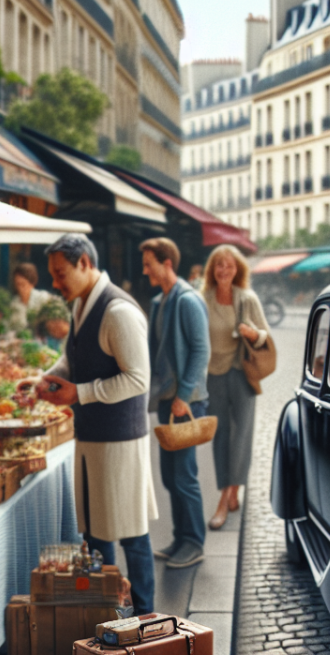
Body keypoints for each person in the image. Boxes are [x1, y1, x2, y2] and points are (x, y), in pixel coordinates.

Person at [28, 234, 157, 615]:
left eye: (59, 273)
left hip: (120, 442)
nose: (54, 282)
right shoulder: (82, 304)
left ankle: (148, 620)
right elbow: (73, 361)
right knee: (97, 535)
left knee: (131, 534)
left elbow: (138, 379)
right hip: (92, 438)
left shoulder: (118, 311)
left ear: (84, 263)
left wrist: (78, 394)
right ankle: (109, 614)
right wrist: (43, 378)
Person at [141, 237, 210, 569]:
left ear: (167, 263)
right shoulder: (161, 301)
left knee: (184, 476)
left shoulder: (187, 300)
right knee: (170, 476)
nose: (144, 270)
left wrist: (183, 395)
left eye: (148, 263)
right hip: (168, 401)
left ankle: (194, 542)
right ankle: (181, 537)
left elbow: (201, 351)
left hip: (186, 402)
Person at [200, 245, 270, 530]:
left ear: (237, 269)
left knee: (240, 436)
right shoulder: (203, 299)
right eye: (219, 266)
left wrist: (253, 334)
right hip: (213, 375)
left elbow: (264, 335)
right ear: (212, 270)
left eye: (229, 266)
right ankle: (229, 490)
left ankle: (226, 497)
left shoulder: (247, 299)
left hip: (242, 374)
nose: (224, 271)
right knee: (221, 437)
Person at [8, 262, 54, 333]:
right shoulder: (14, 304)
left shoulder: (43, 298)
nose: (20, 288)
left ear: (32, 283)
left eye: (23, 284)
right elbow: (10, 327)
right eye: (17, 284)